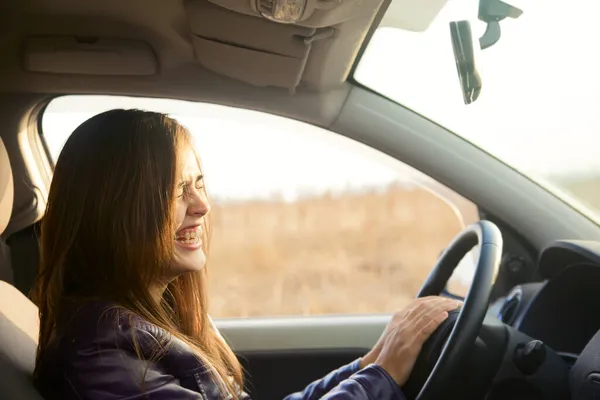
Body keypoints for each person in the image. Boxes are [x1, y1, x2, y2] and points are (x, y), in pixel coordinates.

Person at [32, 109, 461, 399]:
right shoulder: (99, 354)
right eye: (177, 189)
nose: (202, 205)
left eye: (199, 184)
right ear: (117, 207)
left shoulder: (145, 320)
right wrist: (381, 376)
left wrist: (370, 363)